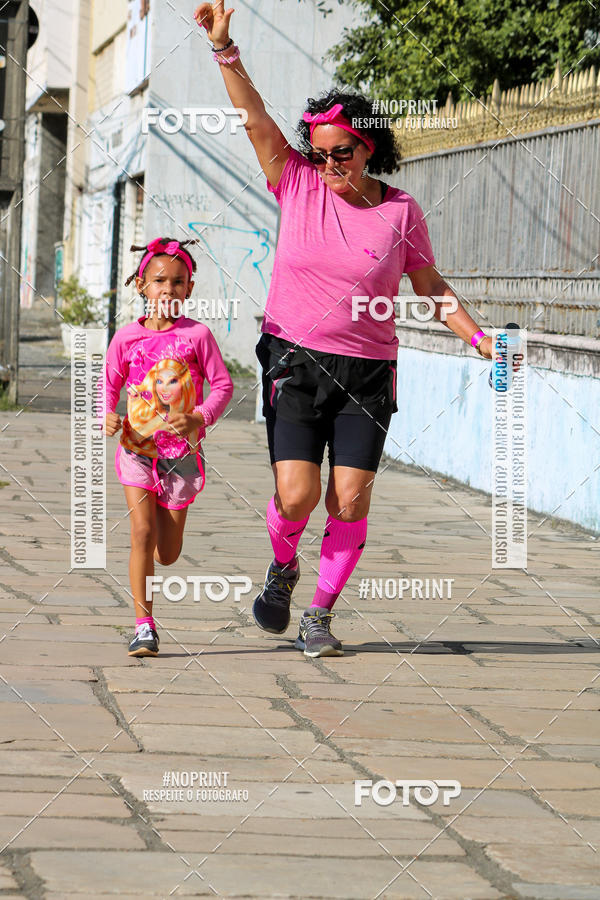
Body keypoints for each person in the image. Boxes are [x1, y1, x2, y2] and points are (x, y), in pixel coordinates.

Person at [194, 2, 493, 658]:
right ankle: (283, 568)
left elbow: (430, 286)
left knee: (350, 499)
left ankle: (320, 614)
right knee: (296, 497)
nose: (330, 164)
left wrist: (481, 339)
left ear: (369, 148)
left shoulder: (401, 211)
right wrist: (225, 50)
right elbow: (257, 121)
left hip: (367, 372)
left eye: (343, 154)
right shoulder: (295, 184)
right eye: (321, 153)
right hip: (296, 360)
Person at [103, 237, 234, 657]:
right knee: (140, 533)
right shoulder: (125, 339)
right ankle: (144, 626)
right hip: (137, 450)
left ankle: (165, 543)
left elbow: (224, 386)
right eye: (159, 281)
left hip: (182, 458)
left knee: (169, 554)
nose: (168, 289)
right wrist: (106, 414)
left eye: (178, 282)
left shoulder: (198, 336)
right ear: (142, 286)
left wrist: (199, 417)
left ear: (189, 289)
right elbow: (107, 386)